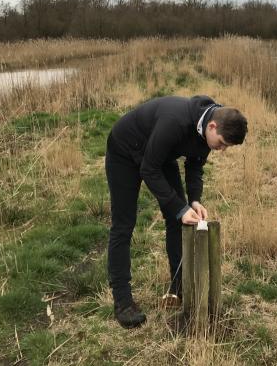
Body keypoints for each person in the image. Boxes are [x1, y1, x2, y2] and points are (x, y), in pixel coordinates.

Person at [105, 95, 247, 328]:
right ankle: (123, 302)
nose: (221, 150)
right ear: (212, 126)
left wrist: (194, 201)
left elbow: (195, 165)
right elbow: (149, 169)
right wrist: (179, 208)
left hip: (158, 154)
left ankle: (178, 287)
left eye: (225, 147)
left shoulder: (209, 126)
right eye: (221, 143)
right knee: (123, 226)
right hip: (125, 151)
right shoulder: (175, 122)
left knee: (178, 218)